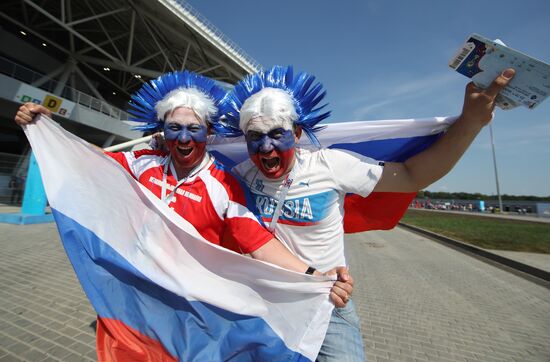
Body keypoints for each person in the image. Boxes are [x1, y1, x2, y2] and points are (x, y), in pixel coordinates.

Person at [14, 70, 353, 360]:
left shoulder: (223, 183)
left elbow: (258, 242)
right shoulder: (144, 162)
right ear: (162, 131)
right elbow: (94, 162)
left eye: (194, 129)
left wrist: (314, 275)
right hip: (137, 292)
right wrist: (46, 128)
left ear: (208, 132)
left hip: (192, 305)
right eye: (175, 128)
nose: (185, 137)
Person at [222, 65, 515, 361]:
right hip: (264, 300)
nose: (266, 146)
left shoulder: (330, 165)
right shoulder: (241, 174)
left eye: (277, 134)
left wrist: (471, 122)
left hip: (327, 300)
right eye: (255, 136)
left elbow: (413, 175)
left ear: (296, 133)